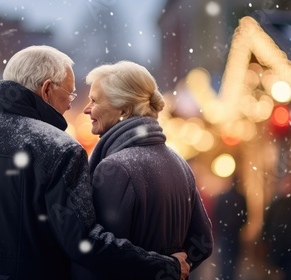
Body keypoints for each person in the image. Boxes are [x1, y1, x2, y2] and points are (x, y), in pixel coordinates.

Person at [0, 46, 190, 280]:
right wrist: (161, 265)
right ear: (46, 90)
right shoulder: (59, 148)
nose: (72, 104)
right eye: (70, 92)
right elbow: (83, 244)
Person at [74, 60, 214, 279]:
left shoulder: (115, 168)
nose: (86, 109)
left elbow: (103, 256)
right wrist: (174, 268)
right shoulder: (179, 163)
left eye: (94, 100)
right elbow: (202, 242)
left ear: (124, 108)